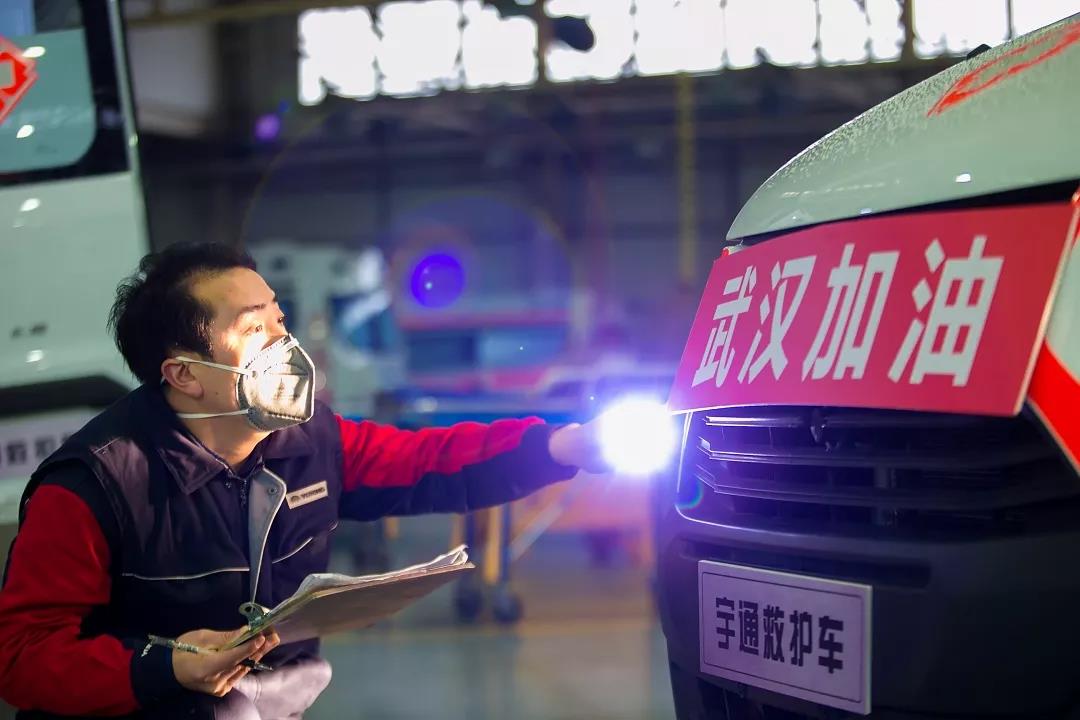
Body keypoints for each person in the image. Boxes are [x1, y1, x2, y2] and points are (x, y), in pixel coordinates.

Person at [0, 244, 609, 719]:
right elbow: (21, 656)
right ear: (184, 374)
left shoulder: (311, 440)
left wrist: (561, 446)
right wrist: (166, 667)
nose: (285, 347)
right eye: (254, 330)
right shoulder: (94, 487)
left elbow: (430, 460)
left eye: (280, 319)